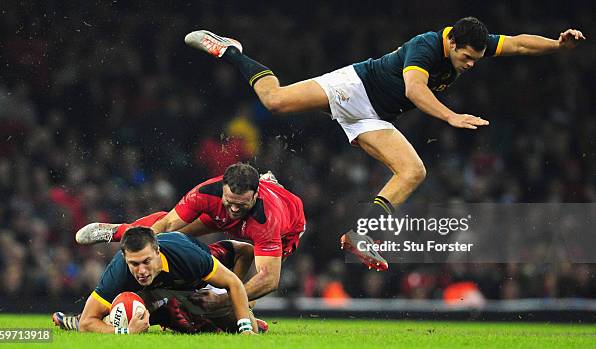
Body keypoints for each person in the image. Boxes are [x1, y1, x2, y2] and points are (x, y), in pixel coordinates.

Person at [183, 17, 585, 270]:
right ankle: (230, 49)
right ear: (451, 44)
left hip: (373, 117)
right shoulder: (426, 46)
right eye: (466, 58)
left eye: (476, 60)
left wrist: (557, 44)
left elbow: (515, 43)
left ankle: (362, 232)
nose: (471, 65)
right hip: (353, 87)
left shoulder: (469, 42)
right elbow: (414, 88)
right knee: (275, 101)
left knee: (413, 170)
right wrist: (450, 116)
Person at [76, 163, 324, 311]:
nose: (235, 208)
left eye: (242, 204)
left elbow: (269, 280)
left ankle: (230, 298)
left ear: (255, 196)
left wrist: (225, 300)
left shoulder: (267, 220)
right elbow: (167, 222)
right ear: (222, 189)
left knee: (258, 274)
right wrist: (133, 240)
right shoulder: (206, 193)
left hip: (287, 227)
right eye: (231, 201)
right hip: (227, 214)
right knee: (170, 230)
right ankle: (117, 230)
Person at [56, 228, 258, 334]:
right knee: (124, 309)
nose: (141, 271)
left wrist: (245, 327)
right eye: (134, 264)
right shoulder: (118, 271)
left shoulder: (188, 256)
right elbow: (87, 322)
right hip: (153, 298)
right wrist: (125, 332)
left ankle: (193, 317)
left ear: (158, 252)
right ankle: (169, 314)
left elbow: (234, 282)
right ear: (125, 258)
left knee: (252, 327)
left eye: (146, 261)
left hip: (200, 292)